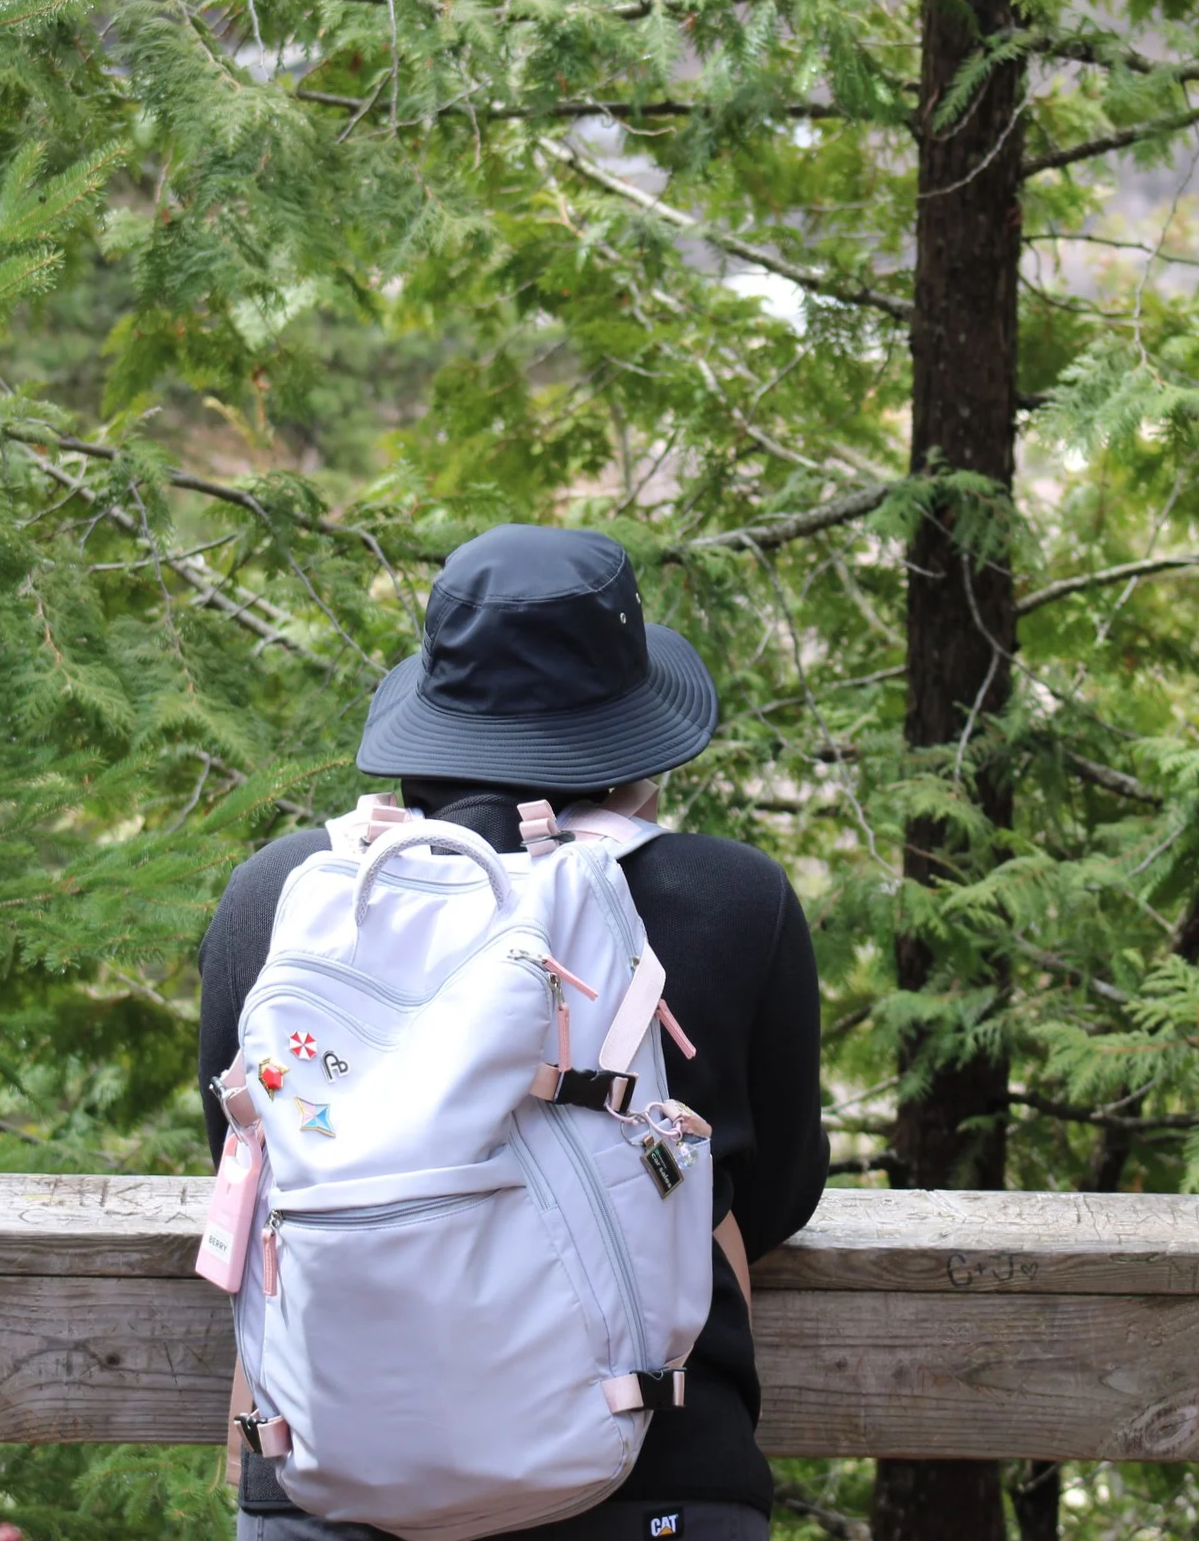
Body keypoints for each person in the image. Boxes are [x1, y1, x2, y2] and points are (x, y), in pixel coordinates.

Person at [199, 523, 829, 1541]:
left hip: (328, 1477)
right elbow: (778, 1188)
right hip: (654, 1483)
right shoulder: (731, 899)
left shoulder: (280, 899)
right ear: (633, 732)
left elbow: (264, 1161)